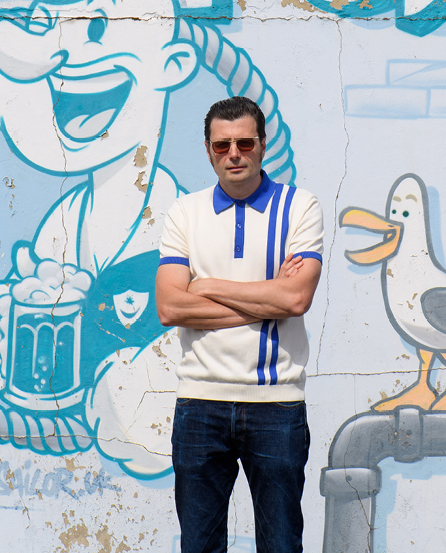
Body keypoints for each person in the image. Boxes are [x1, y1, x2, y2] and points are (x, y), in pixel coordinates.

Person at [156, 96, 323, 553]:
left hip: (276, 404)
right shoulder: (185, 213)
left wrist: (207, 285)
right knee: (199, 547)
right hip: (200, 403)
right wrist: (268, 299)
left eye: (245, 143)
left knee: (281, 545)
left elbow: (296, 298)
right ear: (208, 150)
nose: (234, 154)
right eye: (222, 145)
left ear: (263, 145)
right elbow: (170, 307)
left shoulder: (299, 206)